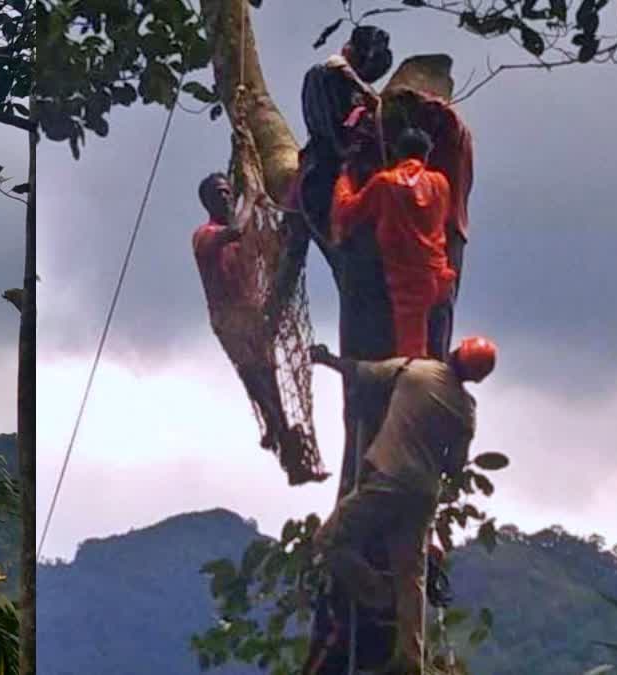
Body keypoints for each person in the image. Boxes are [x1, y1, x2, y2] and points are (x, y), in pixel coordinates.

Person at [309, 336, 497, 674]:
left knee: (329, 540)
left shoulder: (414, 370)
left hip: (387, 478)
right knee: (411, 574)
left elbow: (362, 372)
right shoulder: (467, 410)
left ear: (455, 353)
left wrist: (326, 360)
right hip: (424, 495)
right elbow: (455, 467)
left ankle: (377, 594)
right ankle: (410, 660)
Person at [193, 173, 323, 485]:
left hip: (254, 315)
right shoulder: (205, 234)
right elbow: (235, 230)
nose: (225, 199)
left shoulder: (246, 231)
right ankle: (276, 431)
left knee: (271, 384)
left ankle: (286, 447)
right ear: (207, 202)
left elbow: (264, 241)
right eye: (219, 195)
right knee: (258, 381)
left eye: (228, 193)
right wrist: (250, 197)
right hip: (229, 320)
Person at [331, 128, 455, 359]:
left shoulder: (385, 182)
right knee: (438, 354)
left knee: (412, 363)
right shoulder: (441, 183)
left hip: (409, 287)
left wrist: (345, 178)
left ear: (397, 153)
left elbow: (346, 213)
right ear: (426, 156)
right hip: (441, 281)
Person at [296, 25, 393, 234]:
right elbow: (327, 128)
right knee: (296, 223)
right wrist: (346, 154)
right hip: (326, 171)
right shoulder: (323, 75)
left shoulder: (365, 94)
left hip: (359, 170)